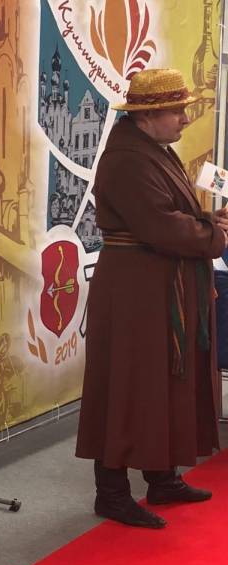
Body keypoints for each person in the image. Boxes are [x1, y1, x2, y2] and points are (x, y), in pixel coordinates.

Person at [76, 68, 228, 529]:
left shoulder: (150, 150)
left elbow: (170, 215)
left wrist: (206, 222)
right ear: (147, 115)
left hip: (154, 285)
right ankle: (111, 493)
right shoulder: (127, 159)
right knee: (128, 384)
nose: (185, 119)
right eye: (177, 111)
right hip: (134, 292)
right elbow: (161, 225)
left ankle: (162, 478)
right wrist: (213, 235)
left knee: (159, 381)